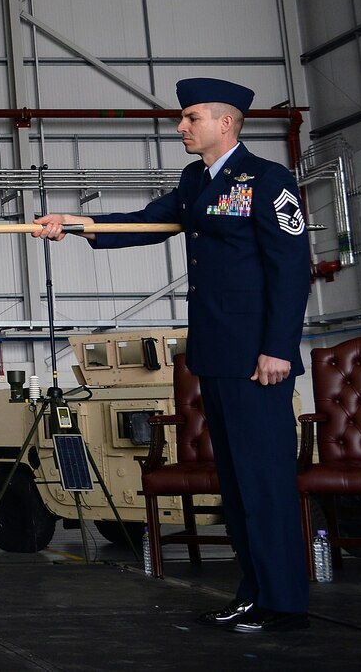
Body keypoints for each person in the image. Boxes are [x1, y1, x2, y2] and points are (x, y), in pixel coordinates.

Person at [34, 78, 311, 634]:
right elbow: (146, 222)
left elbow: (292, 268)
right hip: (216, 354)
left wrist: (278, 347)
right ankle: (256, 593)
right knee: (236, 488)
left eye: (190, 117)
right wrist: (79, 224)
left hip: (259, 359)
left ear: (225, 122)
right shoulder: (194, 181)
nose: (180, 126)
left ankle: (283, 602)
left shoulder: (268, 180)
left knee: (266, 484)